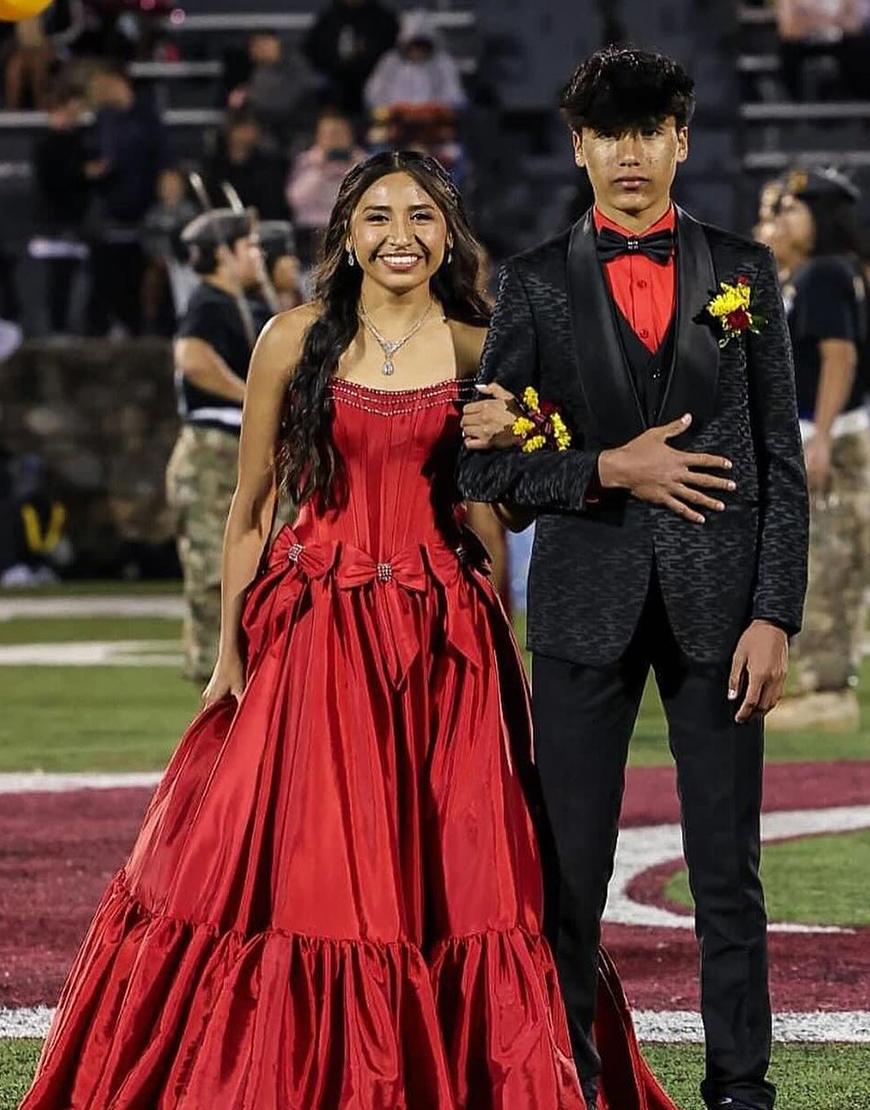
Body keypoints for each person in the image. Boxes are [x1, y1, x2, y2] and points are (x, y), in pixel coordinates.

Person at [19, 150, 677, 1110]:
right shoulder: (289, 339)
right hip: (313, 634)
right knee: (312, 873)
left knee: (465, 877)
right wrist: (227, 655)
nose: (399, 235)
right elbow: (251, 511)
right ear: (345, 232)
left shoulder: (478, 346)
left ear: (448, 233)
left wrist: (506, 621)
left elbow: (499, 510)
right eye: (377, 216)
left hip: (445, 637)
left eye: (419, 215)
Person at [457, 47, 809, 1110]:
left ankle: (740, 1084)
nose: (628, 153)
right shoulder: (526, 281)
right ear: (578, 148)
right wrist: (608, 468)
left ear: (681, 141)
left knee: (728, 871)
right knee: (567, 868)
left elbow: (781, 466)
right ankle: (565, 1075)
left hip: (723, 610)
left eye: (648, 131)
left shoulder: (745, 269)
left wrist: (774, 614)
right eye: (608, 135)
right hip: (580, 602)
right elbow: (481, 462)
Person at [764, 167, 870, 731]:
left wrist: (823, 436)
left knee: (829, 560)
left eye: (795, 211)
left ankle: (830, 691)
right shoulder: (809, 274)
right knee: (812, 558)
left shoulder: (827, 272)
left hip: (832, 435)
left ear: (822, 218)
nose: (783, 220)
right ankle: (814, 682)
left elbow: (839, 356)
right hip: (820, 433)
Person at [165, 208, 262, 684]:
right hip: (211, 449)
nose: (258, 256)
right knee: (210, 573)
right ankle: (213, 681)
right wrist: (251, 396)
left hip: (239, 449)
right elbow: (192, 357)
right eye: (250, 248)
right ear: (224, 254)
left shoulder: (245, 303)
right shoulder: (209, 302)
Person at [85, 60, 164, 337]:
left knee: (137, 279)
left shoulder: (147, 116)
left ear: (119, 82)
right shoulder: (104, 118)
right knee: (105, 277)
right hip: (110, 210)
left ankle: (138, 329)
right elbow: (94, 155)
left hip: (142, 209)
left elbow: (158, 157)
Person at [28, 76, 91, 335]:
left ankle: (65, 331)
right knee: (54, 284)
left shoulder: (78, 140)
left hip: (75, 224)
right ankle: (54, 333)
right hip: (52, 226)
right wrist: (82, 173)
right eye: (75, 108)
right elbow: (52, 182)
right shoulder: (45, 143)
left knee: (72, 284)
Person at [285, 107, 367, 263]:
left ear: (351, 136)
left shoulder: (363, 163)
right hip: (310, 236)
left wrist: (354, 167)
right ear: (318, 136)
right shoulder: (306, 161)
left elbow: (368, 200)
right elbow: (296, 200)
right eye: (330, 134)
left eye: (340, 134)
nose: (335, 140)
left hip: (350, 234)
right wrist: (319, 170)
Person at [303, 0, 399, 115]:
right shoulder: (328, 18)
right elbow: (310, 51)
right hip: (335, 88)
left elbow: (394, 57)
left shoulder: (384, 20)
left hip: (374, 86)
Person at [364, 9, 467, 112]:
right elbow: (373, 95)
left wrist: (434, 108)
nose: (417, 51)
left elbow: (456, 97)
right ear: (405, 45)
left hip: (434, 121)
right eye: (414, 46)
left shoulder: (443, 63)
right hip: (396, 120)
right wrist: (398, 108)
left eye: (422, 46)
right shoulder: (390, 62)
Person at [205, 108, 288, 222]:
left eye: (252, 129)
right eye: (242, 128)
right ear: (230, 131)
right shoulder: (214, 167)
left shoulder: (268, 167)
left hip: (261, 228)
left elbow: (274, 207)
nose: (247, 134)